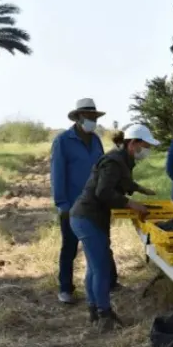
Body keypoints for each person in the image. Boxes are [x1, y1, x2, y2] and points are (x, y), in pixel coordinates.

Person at [70, 124, 158, 332]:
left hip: (88, 217)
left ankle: (94, 310)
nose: (146, 151)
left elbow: (123, 181)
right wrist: (132, 203)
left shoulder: (122, 159)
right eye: (145, 146)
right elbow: (104, 192)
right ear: (133, 143)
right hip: (88, 217)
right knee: (100, 268)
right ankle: (104, 314)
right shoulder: (113, 161)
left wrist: (139, 188)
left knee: (94, 267)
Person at [50, 98, 120, 305]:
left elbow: (104, 170)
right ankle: (65, 288)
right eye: (88, 117)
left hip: (97, 203)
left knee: (103, 244)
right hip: (72, 205)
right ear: (79, 117)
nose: (92, 121)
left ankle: (110, 282)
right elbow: (57, 174)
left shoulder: (96, 140)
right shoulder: (63, 141)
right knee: (70, 247)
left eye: (94, 117)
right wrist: (62, 204)